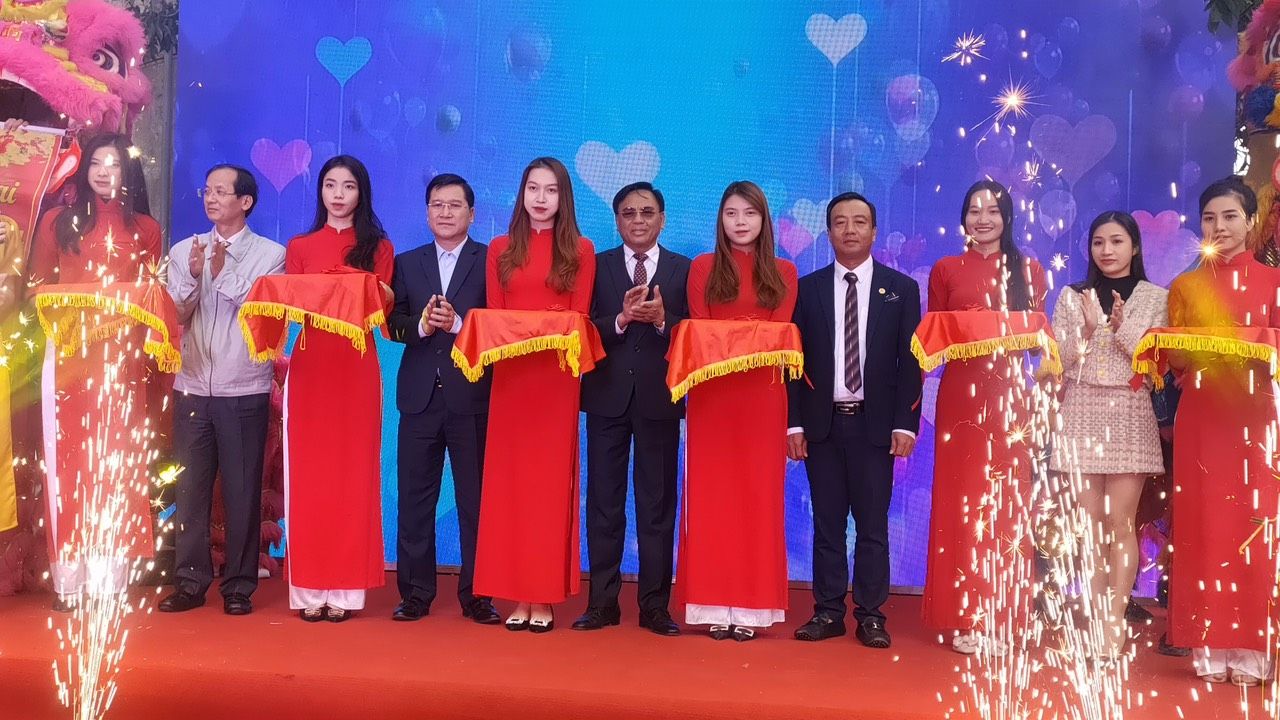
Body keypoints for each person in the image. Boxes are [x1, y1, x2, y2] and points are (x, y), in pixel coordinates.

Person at [30, 133, 163, 610]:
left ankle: (109, 582)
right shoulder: (57, 221)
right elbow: (36, 288)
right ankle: (69, 580)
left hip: (122, 360)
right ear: (85, 170)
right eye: (97, 163)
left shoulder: (146, 229)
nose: (105, 172)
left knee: (116, 464)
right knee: (67, 463)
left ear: (130, 172)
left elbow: (152, 296)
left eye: (115, 164)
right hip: (68, 355)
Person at [787, 192, 922, 649]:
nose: (850, 229)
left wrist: (905, 424)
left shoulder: (901, 289)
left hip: (875, 427)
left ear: (874, 231)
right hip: (822, 425)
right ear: (828, 232)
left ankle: (871, 616)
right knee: (826, 525)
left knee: (872, 526)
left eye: (859, 221)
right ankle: (827, 612)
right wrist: (794, 425)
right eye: (840, 222)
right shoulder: (806, 289)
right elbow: (793, 362)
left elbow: (911, 362)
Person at [921, 179, 1048, 654]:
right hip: (960, 398)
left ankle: (1004, 616)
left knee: (1007, 505)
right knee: (964, 501)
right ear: (963, 218)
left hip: (1010, 398)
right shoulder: (945, 269)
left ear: (1007, 217)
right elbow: (935, 336)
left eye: (993, 211)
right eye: (974, 210)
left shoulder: (1029, 269)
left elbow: (1036, 341)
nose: (983, 219)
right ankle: (966, 615)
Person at [1165, 177, 1280, 685]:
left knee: (1253, 526)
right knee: (1203, 525)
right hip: (1201, 417)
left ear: (1251, 220)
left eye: (1231, 216)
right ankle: (1208, 644)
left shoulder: (1274, 283)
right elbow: (1175, 360)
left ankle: (1253, 647)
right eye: (1210, 217)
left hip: (1255, 419)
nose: (1220, 226)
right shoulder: (1185, 286)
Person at [472, 157, 595, 633]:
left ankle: (542, 595)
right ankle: (515, 593)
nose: (541, 198)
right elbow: (494, 317)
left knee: (548, 489)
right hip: (511, 380)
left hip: (556, 380)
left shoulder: (580, 250)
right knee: (510, 488)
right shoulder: (500, 248)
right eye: (533, 188)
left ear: (564, 198)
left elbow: (578, 319)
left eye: (551, 190)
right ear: (521, 194)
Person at [159, 165, 285, 616]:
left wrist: (222, 272)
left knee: (242, 491)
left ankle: (238, 586)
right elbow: (174, 313)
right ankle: (190, 582)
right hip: (192, 386)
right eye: (207, 191)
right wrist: (194, 277)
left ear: (245, 201)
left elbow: (260, 310)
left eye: (220, 192)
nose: (210, 199)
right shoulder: (184, 249)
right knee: (190, 490)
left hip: (243, 388)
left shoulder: (271, 255)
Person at [677, 180, 798, 642]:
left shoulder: (784, 271)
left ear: (764, 220)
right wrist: (747, 336)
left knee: (757, 498)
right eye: (731, 213)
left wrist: (736, 338)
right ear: (720, 220)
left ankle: (752, 608)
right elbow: (700, 332)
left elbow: (779, 335)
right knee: (711, 498)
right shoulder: (703, 267)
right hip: (711, 396)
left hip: (763, 397)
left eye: (750, 213)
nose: (741, 222)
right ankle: (712, 604)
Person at [1049, 211, 1166, 658]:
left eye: (1117, 241)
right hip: (1080, 408)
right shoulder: (1072, 295)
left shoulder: (1156, 297)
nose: (1107, 250)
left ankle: (1115, 620)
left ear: (1134, 246)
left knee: (1120, 522)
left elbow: (1154, 364)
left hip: (1129, 411)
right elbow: (1057, 361)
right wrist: (1083, 328)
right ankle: (1094, 617)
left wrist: (1120, 328)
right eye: (1099, 242)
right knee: (1089, 525)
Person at [574, 182, 689, 636]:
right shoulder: (596, 266)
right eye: (628, 213)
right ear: (617, 220)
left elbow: (694, 333)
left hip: (660, 401)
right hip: (606, 398)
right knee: (604, 504)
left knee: (656, 507)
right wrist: (621, 320)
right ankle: (602, 603)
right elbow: (582, 327)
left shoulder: (684, 269)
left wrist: (662, 321)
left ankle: (655, 606)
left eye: (646, 212)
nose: (637, 220)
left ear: (662, 219)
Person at [283, 155, 394, 622]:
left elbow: (382, 309)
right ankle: (309, 590)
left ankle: (346, 592)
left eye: (348, 186)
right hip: (311, 366)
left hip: (356, 366)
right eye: (330, 185)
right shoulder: (300, 246)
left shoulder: (378, 248)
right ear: (321, 191)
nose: (338, 194)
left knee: (353, 475)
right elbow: (290, 304)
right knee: (309, 477)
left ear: (361, 193)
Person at [386, 173, 498, 624]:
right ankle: (415, 594)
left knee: (476, 501)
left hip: (472, 395)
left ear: (472, 213)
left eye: (455, 205)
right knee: (414, 501)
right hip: (418, 399)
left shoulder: (491, 261)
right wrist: (420, 326)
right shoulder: (406, 262)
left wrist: (458, 325)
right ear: (427, 212)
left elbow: (499, 324)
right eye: (437, 205)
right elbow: (391, 322)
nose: (446, 212)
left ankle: (478, 595)